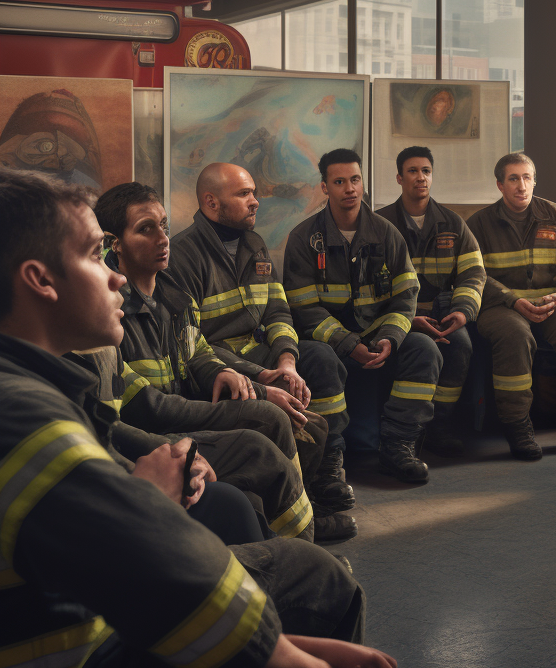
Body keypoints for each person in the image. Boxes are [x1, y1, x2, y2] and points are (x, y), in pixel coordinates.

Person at [0, 168, 404, 668]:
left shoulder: (35, 386)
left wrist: (259, 372)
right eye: (96, 255)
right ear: (41, 281)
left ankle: (303, 527)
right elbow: (161, 566)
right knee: (318, 580)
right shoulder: (24, 416)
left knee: (265, 497)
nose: (114, 276)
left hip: (86, 639)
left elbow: (200, 353)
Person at [94, 181, 356, 543]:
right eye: (145, 229)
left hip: (188, 405)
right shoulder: (109, 310)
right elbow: (150, 408)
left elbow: (197, 349)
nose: (162, 238)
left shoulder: (174, 294)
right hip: (156, 432)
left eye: (164, 226)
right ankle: (298, 546)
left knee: (308, 423)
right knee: (268, 421)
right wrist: (260, 395)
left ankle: (299, 515)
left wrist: (223, 371)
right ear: (114, 243)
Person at [167, 163, 356, 525]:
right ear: (211, 202)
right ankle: (295, 504)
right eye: (244, 194)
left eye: (254, 192)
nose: (256, 202)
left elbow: (277, 310)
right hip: (219, 366)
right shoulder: (183, 256)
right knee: (276, 407)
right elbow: (193, 344)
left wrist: (286, 360)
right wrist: (261, 374)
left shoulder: (254, 244)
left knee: (320, 358)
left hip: (260, 353)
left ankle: (326, 472)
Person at [283, 149, 440, 483]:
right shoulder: (303, 240)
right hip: (330, 341)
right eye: (339, 182)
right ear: (325, 187)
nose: (349, 188)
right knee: (321, 357)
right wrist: (347, 343)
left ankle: (398, 446)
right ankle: (332, 457)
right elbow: (304, 309)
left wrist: (392, 337)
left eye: (355, 179)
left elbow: (406, 295)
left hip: (378, 335)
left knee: (424, 348)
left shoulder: (386, 234)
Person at [467, 152, 556, 460]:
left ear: (534, 181)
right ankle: (517, 426)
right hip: (500, 306)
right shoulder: (479, 224)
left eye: (527, 178)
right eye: (513, 179)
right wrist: (512, 299)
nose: (521, 186)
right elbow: (473, 275)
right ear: (500, 185)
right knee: (515, 337)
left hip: (550, 302)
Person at [375, 146, 486, 456]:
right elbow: (370, 283)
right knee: (418, 352)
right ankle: (409, 428)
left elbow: (474, 274)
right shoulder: (380, 225)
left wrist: (462, 312)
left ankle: (439, 425)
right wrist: (405, 319)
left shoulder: (453, 223)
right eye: (412, 171)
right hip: (399, 317)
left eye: (425, 171)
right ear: (399, 178)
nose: (420, 178)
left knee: (460, 345)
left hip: (444, 315)